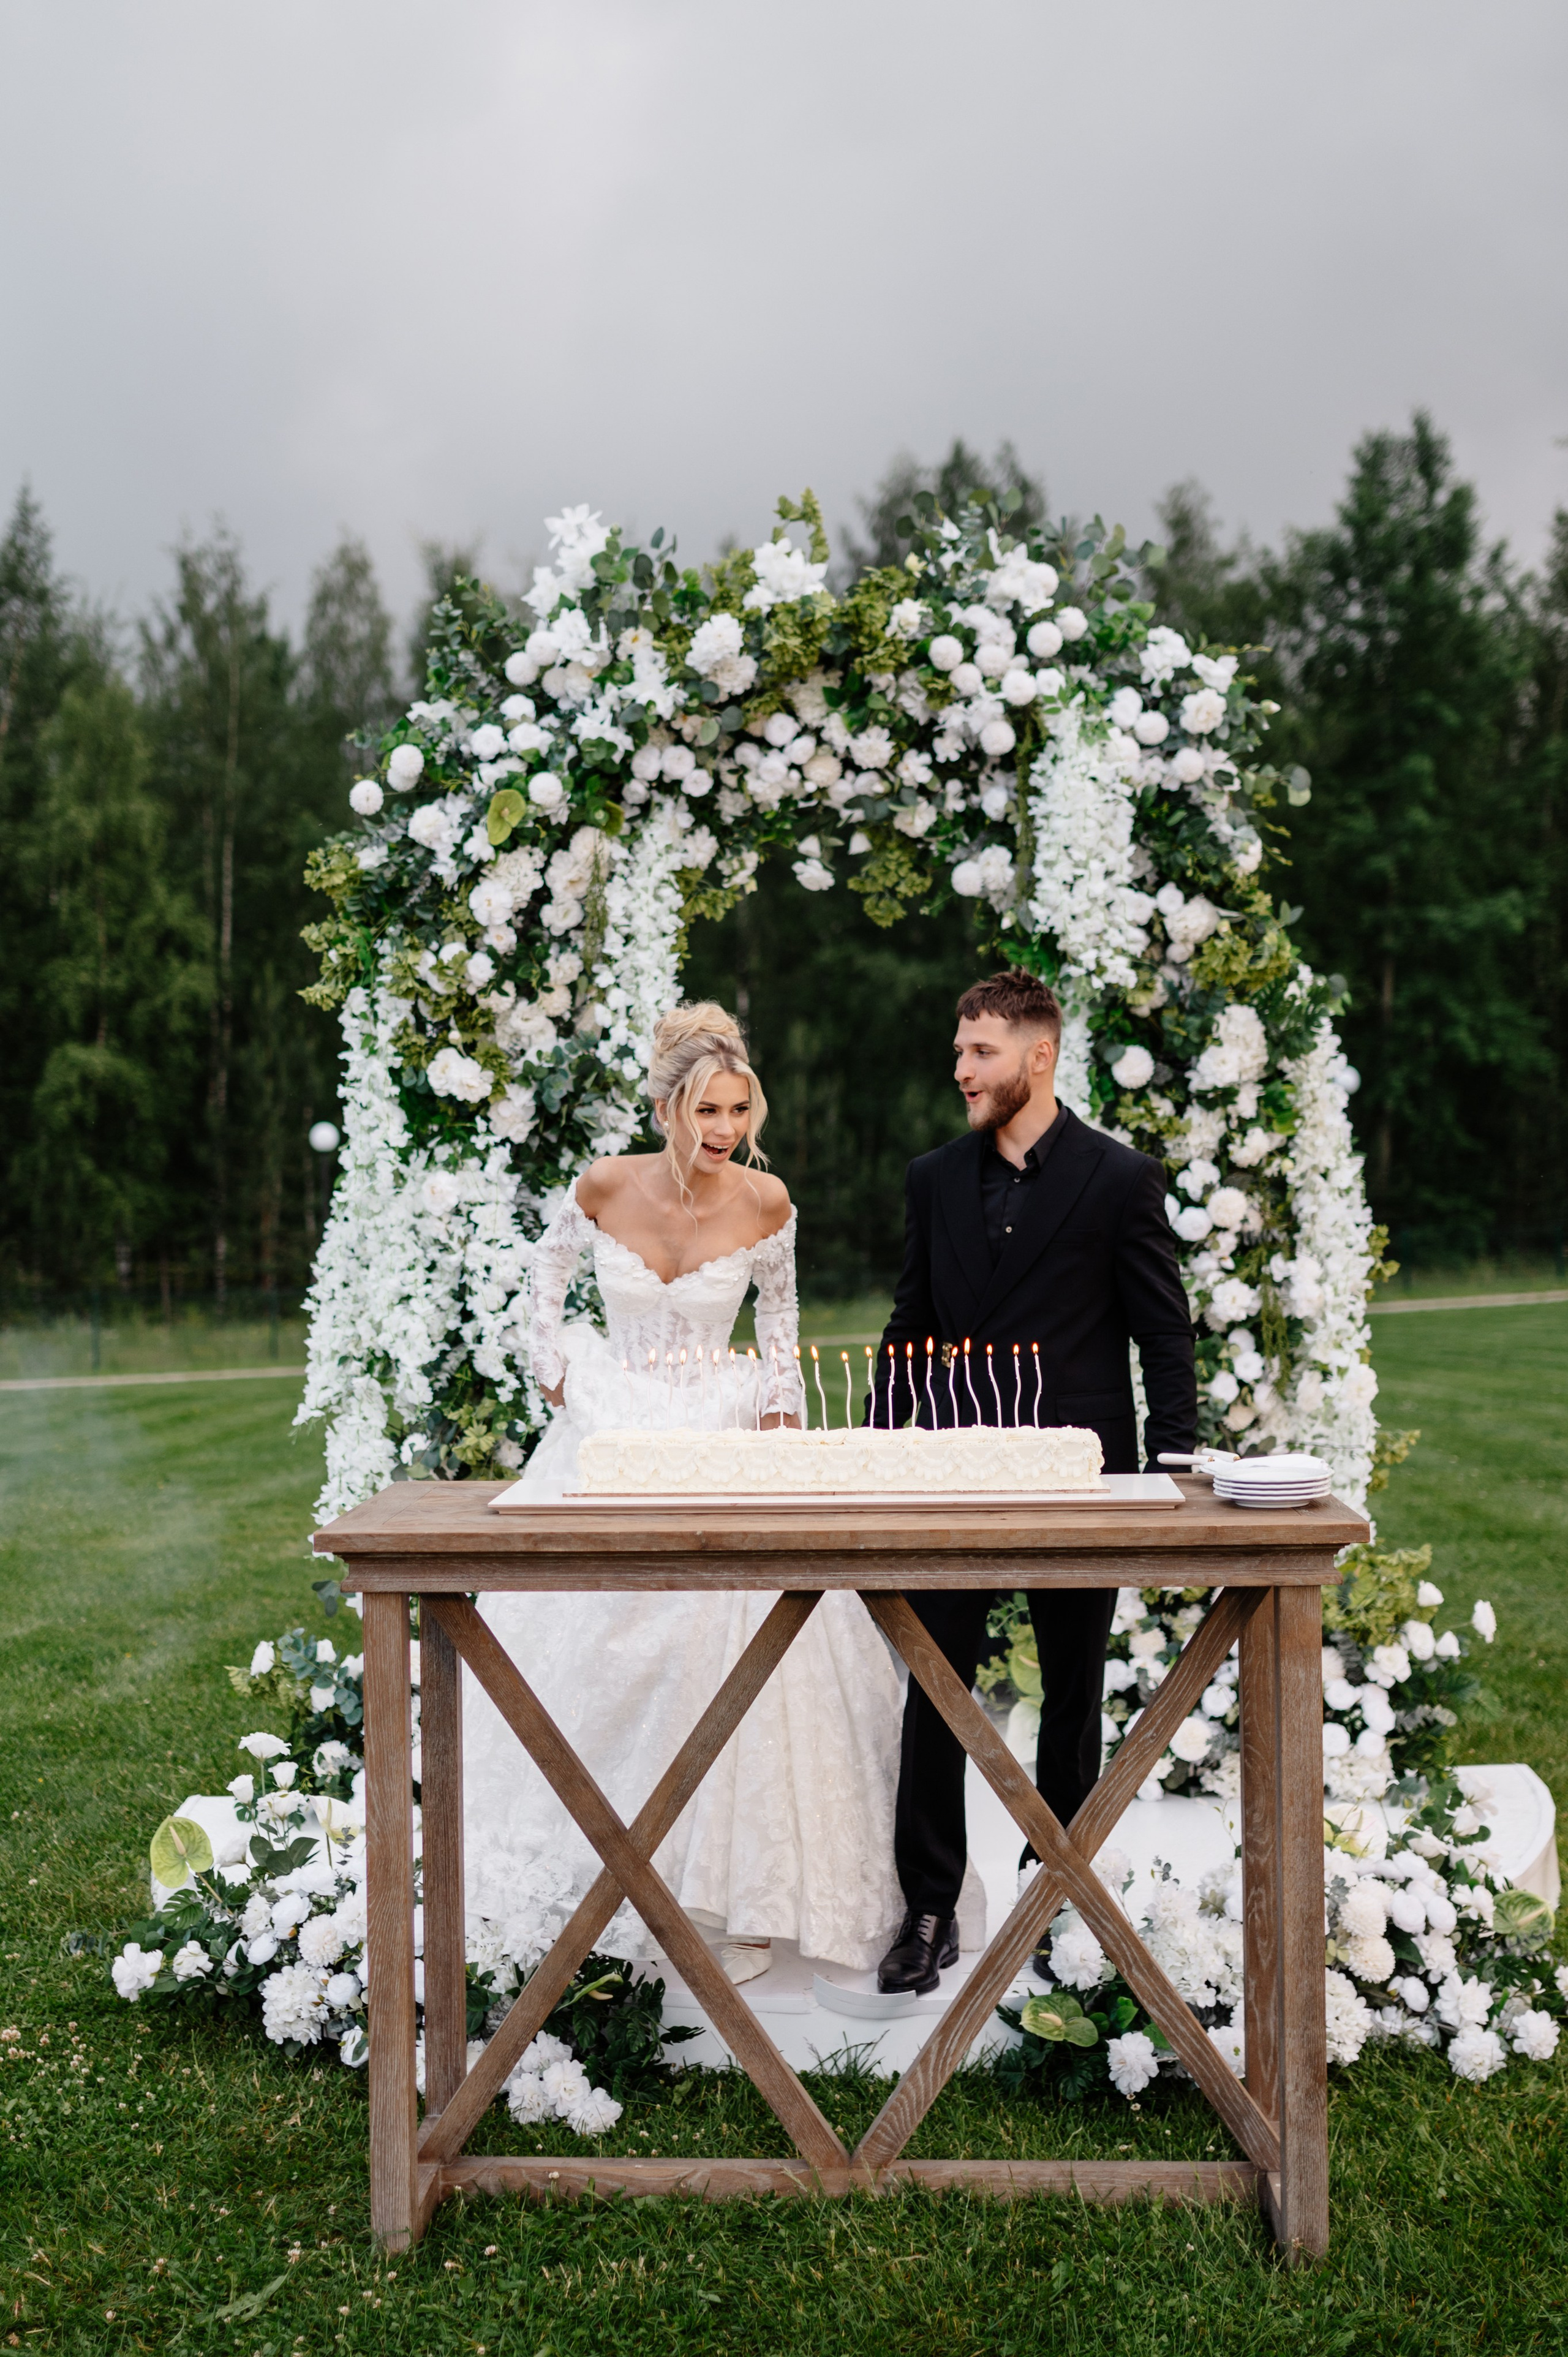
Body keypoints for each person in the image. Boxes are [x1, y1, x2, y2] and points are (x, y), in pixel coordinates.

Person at [462, 1003, 903, 1983]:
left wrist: (783, 1426)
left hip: (719, 1426)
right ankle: (598, 1875)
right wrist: (564, 1384)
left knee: (737, 1643)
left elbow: (782, 1329)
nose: (726, 1131)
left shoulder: (768, 1202)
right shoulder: (602, 1186)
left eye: (739, 1112)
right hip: (610, 1429)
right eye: (709, 1109)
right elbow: (540, 1295)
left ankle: (732, 1887)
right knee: (593, 1647)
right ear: (667, 1105)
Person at [870, 969, 1197, 1993]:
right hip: (955, 1469)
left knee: (1072, 1686)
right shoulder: (932, 1179)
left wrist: (1173, 1466)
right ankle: (928, 1907)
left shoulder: (1118, 1178)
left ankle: (1060, 1891)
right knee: (936, 1687)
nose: (962, 1068)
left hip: (1079, 1475)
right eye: (960, 1050)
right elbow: (909, 1327)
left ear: (1038, 1056)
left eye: (981, 1052)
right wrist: (880, 1447)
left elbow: (1161, 1330)